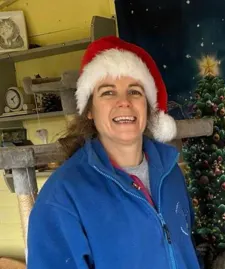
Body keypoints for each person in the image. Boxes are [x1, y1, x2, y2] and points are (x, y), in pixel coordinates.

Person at [26, 36, 200, 269]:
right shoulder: (61, 198)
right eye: (108, 92)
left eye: (135, 91)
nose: (124, 102)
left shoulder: (172, 174)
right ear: (89, 110)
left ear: (148, 108)